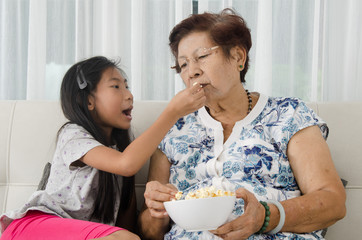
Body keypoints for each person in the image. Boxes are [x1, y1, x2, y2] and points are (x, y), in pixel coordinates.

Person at [138, 8, 346, 240]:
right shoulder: (171, 129)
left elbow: (332, 202)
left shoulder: (288, 115)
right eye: (183, 64)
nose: (192, 72)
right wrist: (157, 211)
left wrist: (267, 217)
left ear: (238, 57)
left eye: (202, 57)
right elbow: (149, 232)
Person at [0, 56, 206, 240]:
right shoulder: (72, 134)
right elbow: (127, 164)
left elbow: (127, 226)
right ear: (88, 100)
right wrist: (172, 112)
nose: (129, 95)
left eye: (127, 86)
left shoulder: (123, 150)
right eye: (116, 87)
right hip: (35, 227)